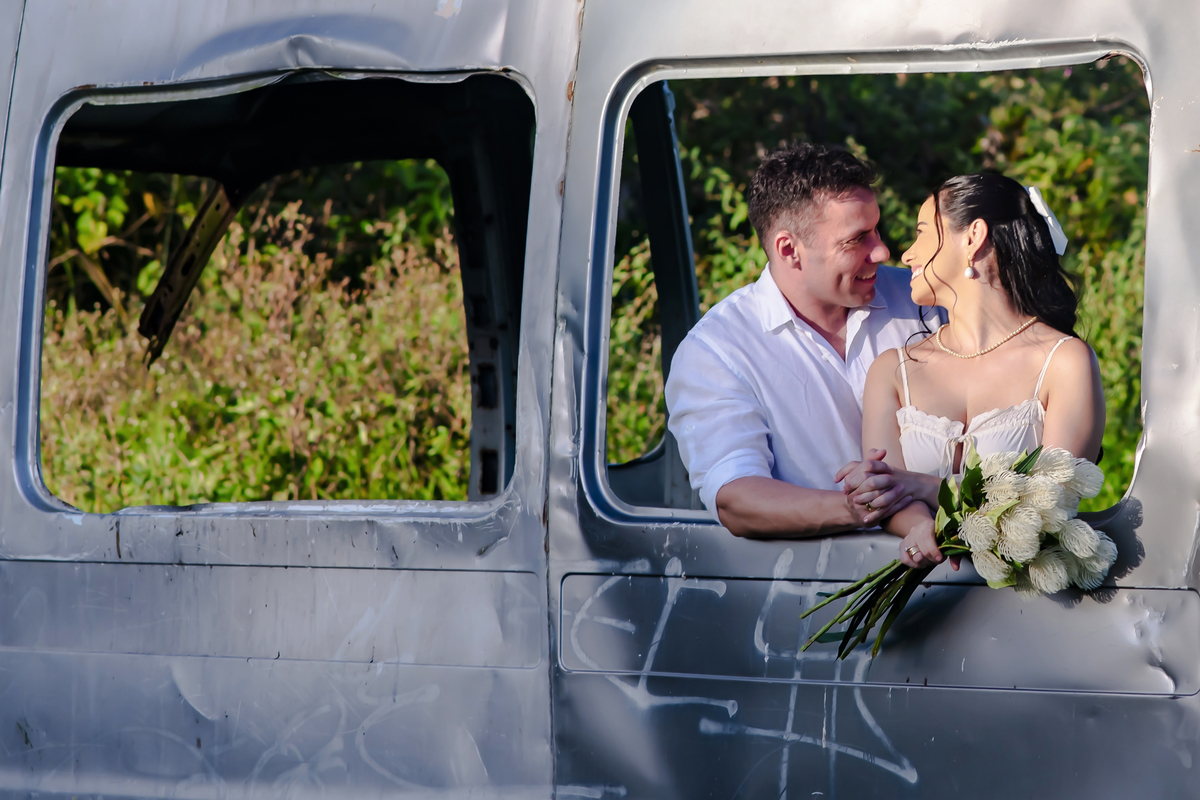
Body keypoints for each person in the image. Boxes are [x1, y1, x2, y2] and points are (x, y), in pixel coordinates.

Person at [664, 143, 943, 537]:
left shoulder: (925, 302)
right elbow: (737, 497)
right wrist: (860, 506)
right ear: (789, 250)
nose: (882, 251)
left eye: (876, 229)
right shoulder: (717, 351)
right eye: (857, 239)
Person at [857, 172, 1106, 569]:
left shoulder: (1064, 361)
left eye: (922, 233)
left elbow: (1049, 501)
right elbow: (886, 491)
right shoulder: (892, 369)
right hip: (924, 608)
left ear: (972, 237)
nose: (906, 255)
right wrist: (919, 526)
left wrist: (925, 487)